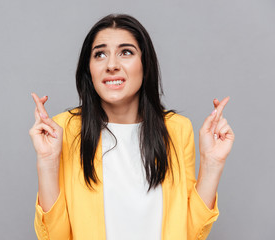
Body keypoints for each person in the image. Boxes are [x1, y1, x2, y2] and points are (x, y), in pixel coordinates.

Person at [29, 14, 234, 240]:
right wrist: (47, 162)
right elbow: (55, 236)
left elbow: (190, 232)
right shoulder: (63, 130)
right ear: (89, 69)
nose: (112, 65)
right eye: (100, 54)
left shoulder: (176, 129)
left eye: (125, 52)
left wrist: (212, 164)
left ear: (145, 64)